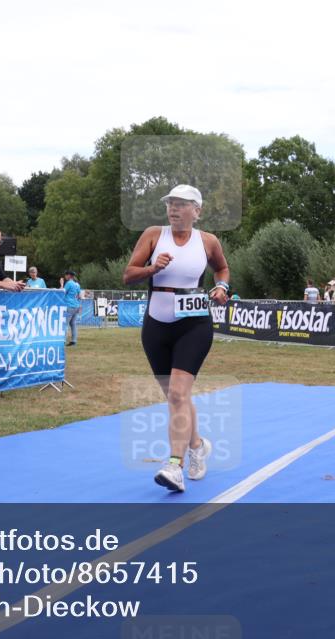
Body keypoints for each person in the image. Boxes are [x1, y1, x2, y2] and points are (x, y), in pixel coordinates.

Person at [123, 184, 230, 493]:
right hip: (156, 325)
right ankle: (197, 446)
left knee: (179, 395)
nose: (173, 209)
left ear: (196, 211)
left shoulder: (208, 241)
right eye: (170, 204)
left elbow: (222, 269)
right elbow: (128, 274)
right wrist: (152, 268)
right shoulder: (153, 236)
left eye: (181, 204)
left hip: (194, 324)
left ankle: (174, 465)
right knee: (176, 397)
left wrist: (223, 288)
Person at [62, 270, 82, 345]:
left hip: (69, 306)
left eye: (66, 275)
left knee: (65, 323)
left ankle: (63, 340)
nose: (65, 276)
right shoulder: (77, 284)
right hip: (76, 306)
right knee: (73, 324)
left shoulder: (69, 283)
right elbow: (79, 296)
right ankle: (74, 340)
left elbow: (63, 292)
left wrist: (61, 284)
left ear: (69, 276)